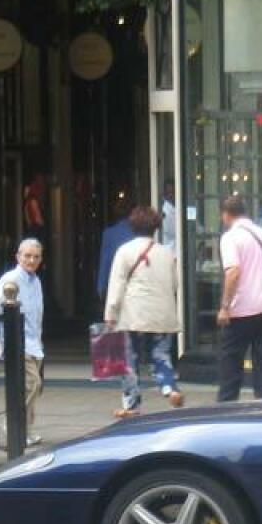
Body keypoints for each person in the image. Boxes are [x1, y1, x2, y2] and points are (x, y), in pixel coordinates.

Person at [103, 206, 183, 418]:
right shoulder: (167, 253)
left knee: (129, 361)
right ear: (156, 228)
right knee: (161, 356)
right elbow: (175, 284)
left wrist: (110, 314)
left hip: (133, 315)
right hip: (163, 315)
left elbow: (116, 284)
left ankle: (132, 405)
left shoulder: (125, 251)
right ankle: (170, 388)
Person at [216, 194, 262, 402]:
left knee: (230, 361)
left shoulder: (230, 238)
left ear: (226, 214)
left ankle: (226, 408)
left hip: (241, 311)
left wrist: (224, 307)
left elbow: (233, 272)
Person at [0, 239, 46, 447]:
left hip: (33, 341)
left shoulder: (35, 280)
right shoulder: (11, 279)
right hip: (16, 341)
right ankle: (13, 424)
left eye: (36, 256)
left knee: (31, 387)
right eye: (27, 256)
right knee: (31, 384)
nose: (31, 260)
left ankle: (25, 430)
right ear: (18, 257)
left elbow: (36, 313)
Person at [97, 194, 133, 307]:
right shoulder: (138, 232)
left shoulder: (109, 234)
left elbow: (105, 262)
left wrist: (101, 287)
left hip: (116, 282)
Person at [160, 179, 177, 249]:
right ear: (165, 194)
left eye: (173, 192)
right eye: (168, 192)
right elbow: (175, 231)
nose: (171, 195)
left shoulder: (177, 207)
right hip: (170, 251)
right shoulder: (165, 211)